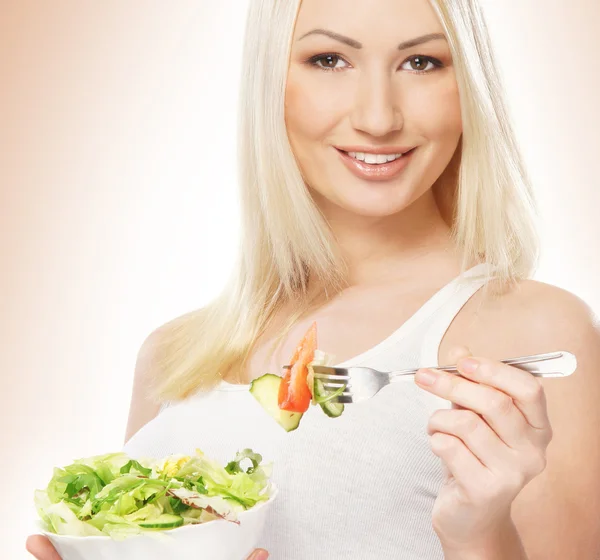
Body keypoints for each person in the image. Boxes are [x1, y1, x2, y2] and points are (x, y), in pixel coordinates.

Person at [27, 0, 600, 558]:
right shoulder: (173, 355)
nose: (378, 117)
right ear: (271, 79)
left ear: (468, 86)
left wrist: (478, 538)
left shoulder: (532, 330)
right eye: (329, 60)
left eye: (422, 62)